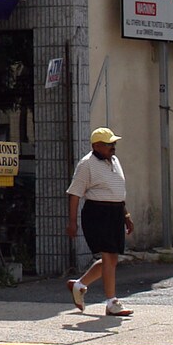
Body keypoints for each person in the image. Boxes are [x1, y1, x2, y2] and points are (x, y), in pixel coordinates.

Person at [66, 126, 135, 317]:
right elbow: (74, 193)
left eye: (114, 143)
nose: (113, 147)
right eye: (108, 144)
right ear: (96, 146)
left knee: (111, 258)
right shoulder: (86, 164)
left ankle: (79, 285)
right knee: (109, 256)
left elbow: (117, 191)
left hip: (115, 212)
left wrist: (126, 216)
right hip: (97, 212)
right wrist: (72, 222)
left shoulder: (114, 160)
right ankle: (112, 302)